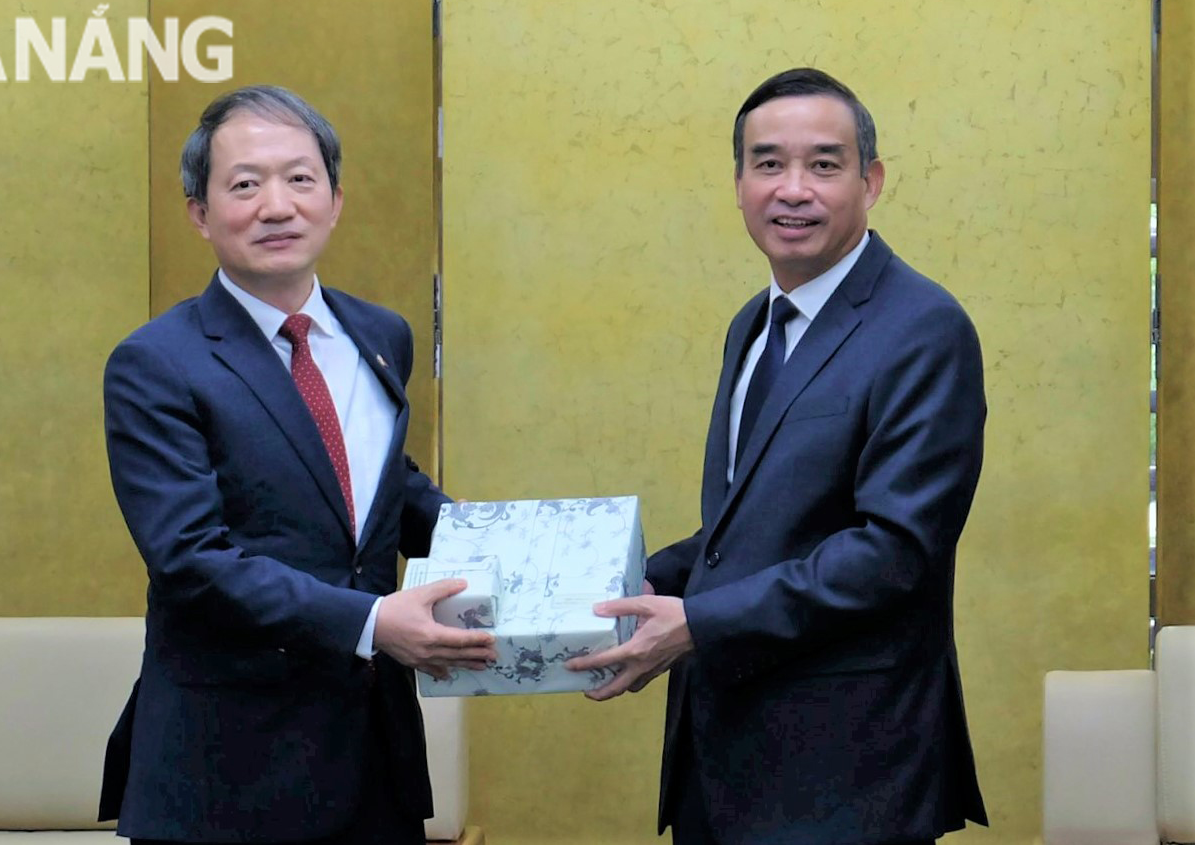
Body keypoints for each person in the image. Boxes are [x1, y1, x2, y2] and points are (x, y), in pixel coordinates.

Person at [568, 67, 988, 844]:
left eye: (823, 165)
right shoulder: (754, 326)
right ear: (737, 184)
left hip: (848, 774)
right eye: (767, 164)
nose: (792, 188)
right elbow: (744, 528)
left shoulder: (922, 328)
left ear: (872, 181)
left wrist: (694, 622)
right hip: (721, 756)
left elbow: (893, 551)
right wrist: (622, 587)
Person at [97, 85, 495, 845]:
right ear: (199, 212)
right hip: (225, 771)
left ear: (336, 199)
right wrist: (374, 621)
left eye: (300, 179)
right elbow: (189, 558)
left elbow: (379, 487)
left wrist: (528, 553)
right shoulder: (155, 363)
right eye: (244, 184)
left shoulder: (380, 334)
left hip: (373, 760)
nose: (275, 205)